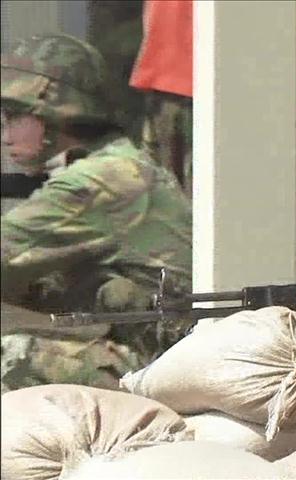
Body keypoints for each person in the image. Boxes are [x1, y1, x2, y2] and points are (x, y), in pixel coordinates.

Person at [1, 34, 193, 392]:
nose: (5, 133)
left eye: (14, 116)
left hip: (161, 364)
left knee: (12, 354)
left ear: (54, 111)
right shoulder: (120, 163)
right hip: (158, 355)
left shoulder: (101, 179)